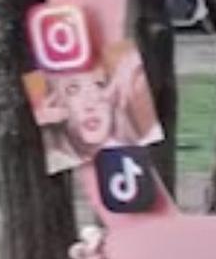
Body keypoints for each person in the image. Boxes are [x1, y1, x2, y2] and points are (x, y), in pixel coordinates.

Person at [34, 46, 162, 174]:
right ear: (55, 103)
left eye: (100, 84)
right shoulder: (57, 158)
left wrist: (131, 66)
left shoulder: (144, 136)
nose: (89, 104)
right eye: (73, 89)